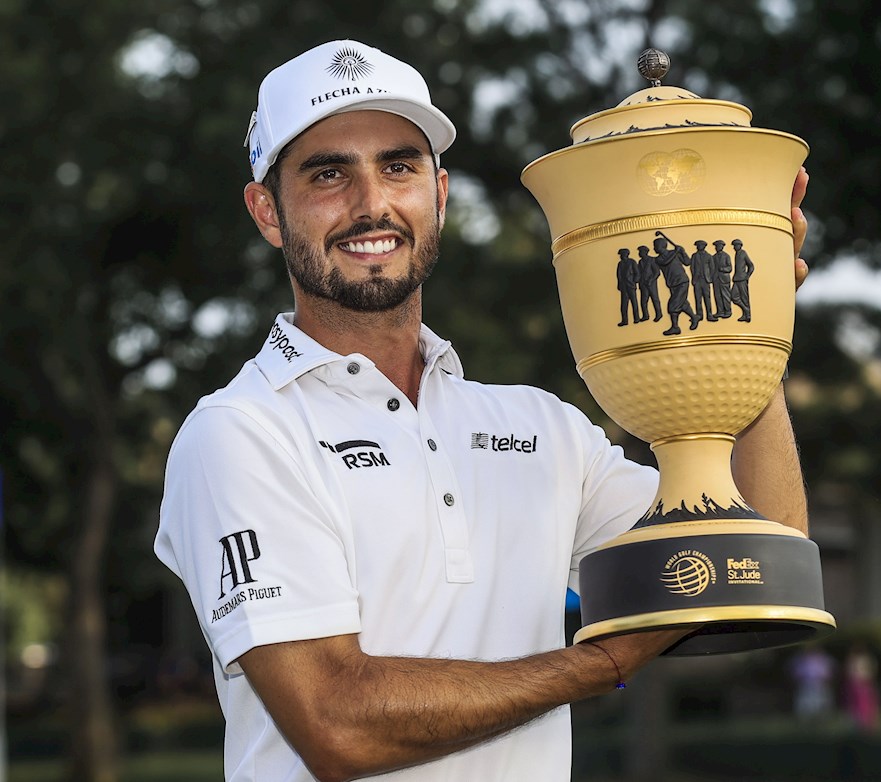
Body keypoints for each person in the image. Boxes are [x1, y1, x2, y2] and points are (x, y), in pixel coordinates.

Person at [154, 39, 813, 782]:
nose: (372, 204)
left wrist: (748, 329)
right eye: (329, 173)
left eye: (397, 166)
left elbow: (764, 552)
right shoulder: (239, 433)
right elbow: (334, 722)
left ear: (438, 194)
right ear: (267, 212)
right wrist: (601, 664)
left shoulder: (542, 428)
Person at [615, 247, 641, 326]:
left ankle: (636, 318)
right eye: (620, 255)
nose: (620, 256)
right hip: (624, 286)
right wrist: (619, 284)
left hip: (631, 285)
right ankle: (624, 320)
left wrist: (634, 281)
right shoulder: (620, 263)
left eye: (622, 254)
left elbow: (637, 273)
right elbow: (618, 275)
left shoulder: (632, 262)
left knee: (634, 302)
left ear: (626, 254)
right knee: (624, 304)